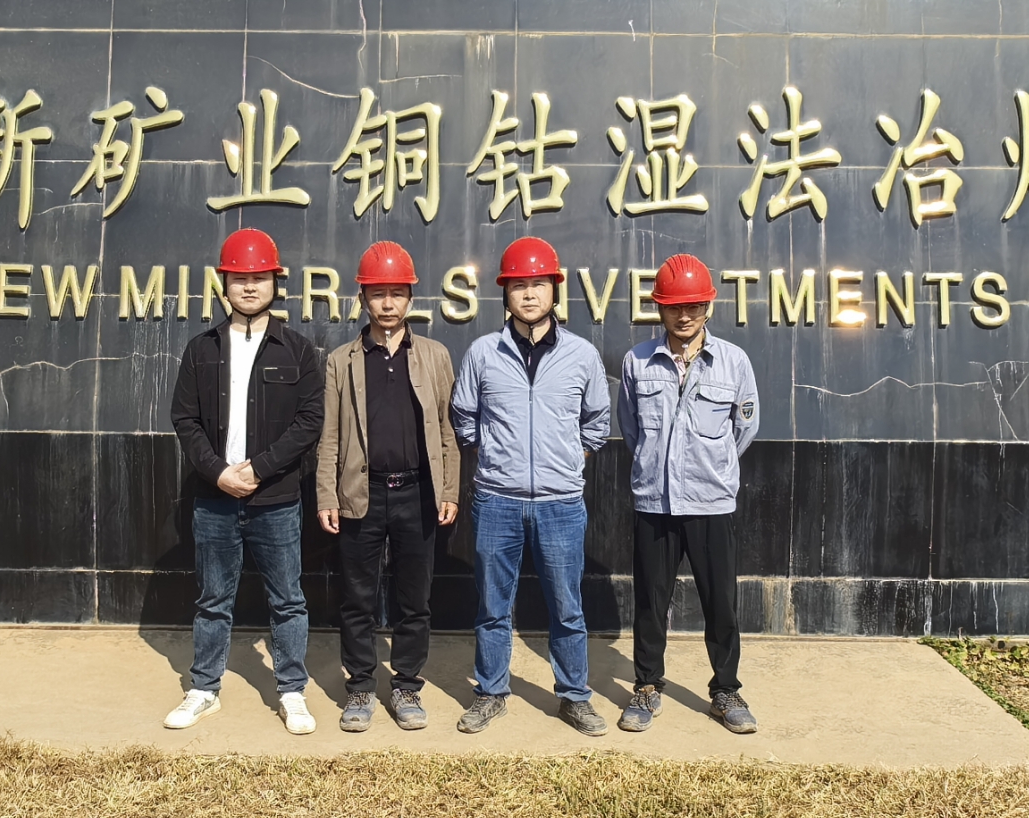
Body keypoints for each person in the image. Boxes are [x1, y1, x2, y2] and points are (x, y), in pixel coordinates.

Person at [450, 236, 611, 736]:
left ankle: (574, 697)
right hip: (497, 500)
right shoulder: (483, 352)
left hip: (561, 504)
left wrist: (568, 460)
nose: (529, 294)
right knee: (492, 607)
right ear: (505, 293)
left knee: (567, 606)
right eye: (519, 285)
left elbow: (597, 423)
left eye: (538, 284)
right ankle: (490, 693)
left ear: (554, 291)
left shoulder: (581, 355)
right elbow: (464, 416)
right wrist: (497, 456)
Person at [166, 228, 324, 734]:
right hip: (215, 499)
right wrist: (218, 472)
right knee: (213, 600)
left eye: (259, 278)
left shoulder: (298, 351)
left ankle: (292, 691)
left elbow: (309, 422)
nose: (249, 287)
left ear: (275, 284)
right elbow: (185, 419)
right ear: (224, 284)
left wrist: (258, 469)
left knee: (288, 600)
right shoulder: (201, 349)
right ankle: (203, 689)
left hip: (276, 499)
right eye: (239, 278)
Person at [316, 241, 461, 732]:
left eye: (397, 293)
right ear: (363, 298)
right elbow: (330, 435)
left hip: (417, 493)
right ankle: (359, 688)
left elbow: (447, 430)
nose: (388, 304)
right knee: (357, 598)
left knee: (414, 599)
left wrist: (449, 489)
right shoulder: (342, 360)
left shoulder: (435, 355)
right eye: (378, 294)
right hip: (362, 492)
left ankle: (406, 686)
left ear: (410, 298)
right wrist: (327, 494)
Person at [617, 253, 760, 734]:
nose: (684, 316)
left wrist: (709, 468)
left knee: (720, 602)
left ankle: (726, 690)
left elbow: (744, 428)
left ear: (708, 307)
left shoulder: (734, 362)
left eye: (694, 306)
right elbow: (632, 430)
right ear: (659, 308)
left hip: (710, 503)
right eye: (674, 306)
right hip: (654, 502)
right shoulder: (637, 361)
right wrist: (658, 465)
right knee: (650, 601)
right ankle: (646, 686)